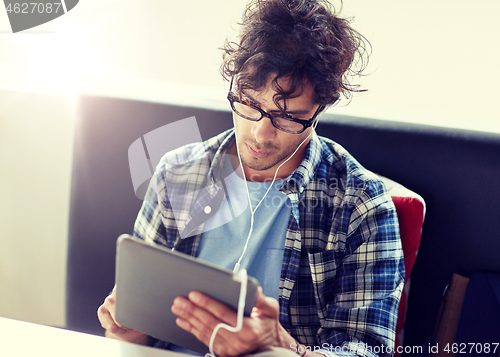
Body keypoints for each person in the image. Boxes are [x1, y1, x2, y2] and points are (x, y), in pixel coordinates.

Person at [98, 0, 405, 356]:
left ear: (320, 109)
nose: (260, 134)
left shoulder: (361, 204)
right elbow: (138, 331)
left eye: (288, 117)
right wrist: (131, 332)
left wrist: (282, 348)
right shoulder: (176, 174)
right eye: (249, 104)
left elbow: (368, 350)